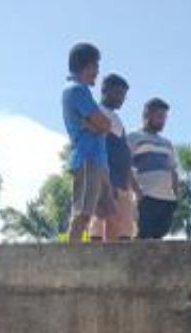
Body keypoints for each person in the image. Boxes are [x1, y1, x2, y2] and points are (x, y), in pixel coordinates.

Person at [61, 43, 113, 243]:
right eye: (95, 66)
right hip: (87, 159)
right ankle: (69, 258)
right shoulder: (76, 90)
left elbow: (103, 126)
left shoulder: (80, 90)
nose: (97, 72)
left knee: (110, 211)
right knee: (82, 213)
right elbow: (103, 123)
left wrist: (94, 125)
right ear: (86, 65)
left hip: (97, 160)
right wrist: (96, 126)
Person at [88, 74, 137, 242]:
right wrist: (106, 179)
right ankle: (99, 264)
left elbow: (121, 151)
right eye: (117, 93)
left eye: (123, 95)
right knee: (102, 223)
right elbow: (98, 148)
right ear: (104, 90)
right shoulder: (97, 113)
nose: (121, 99)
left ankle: (116, 264)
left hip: (121, 180)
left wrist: (129, 181)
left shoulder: (115, 118)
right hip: (107, 177)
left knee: (123, 227)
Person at [127, 98, 178, 239]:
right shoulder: (134, 137)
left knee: (159, 237)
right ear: (147, 114)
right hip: (146, 197)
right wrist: (137, 191)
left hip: (167, 198)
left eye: (165, 117)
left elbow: (173, 170)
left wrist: (176, 195)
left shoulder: (167, 143)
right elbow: (125, 167)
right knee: (142, 237)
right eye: (160, 116)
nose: (163, 121)